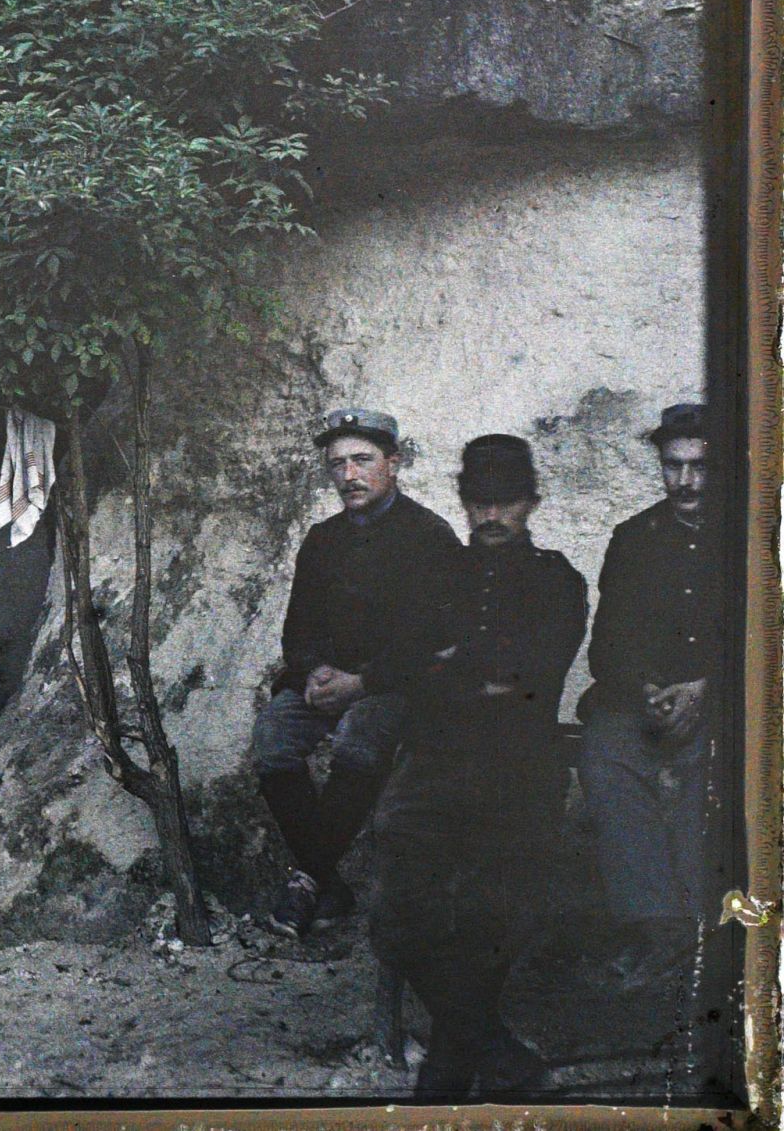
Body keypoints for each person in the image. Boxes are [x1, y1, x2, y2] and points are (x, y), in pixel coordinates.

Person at [370, 434, 587, 1099]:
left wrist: (453, 665)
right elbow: (406, 665)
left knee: (494, 914)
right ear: (463, 502)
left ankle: (448, 1066)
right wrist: (469, 673)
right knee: (396, 916)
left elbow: (533, 674)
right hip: (434, 765)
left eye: (507, 501)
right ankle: (495, 1050)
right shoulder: (435, 575)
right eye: (479, 501)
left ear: (532, 502)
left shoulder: (558, 579)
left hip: (520, 769)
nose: (492, 515)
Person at [253, 408, 461, 938]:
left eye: (362, 460)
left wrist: (362, 683)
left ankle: (307, 879)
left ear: (393, 463)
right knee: (273, 736)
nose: (349, 475)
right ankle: (329, 883)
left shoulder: (429, 537)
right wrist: (315, 670)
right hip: (328, 683)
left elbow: (432, 642)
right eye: (337, 464)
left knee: (359, 741)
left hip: (394, 686)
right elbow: (297, 630)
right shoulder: (323, 539)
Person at [576, 403, 730, 982]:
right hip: (647, 704)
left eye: (700, 467)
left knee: (707, 769)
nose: (685, 481)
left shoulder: (759, 535)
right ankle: (660, 928)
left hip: (728, 706)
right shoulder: (634, 538)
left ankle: (703, 927)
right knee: (606, 756)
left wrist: (707, 689)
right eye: (672, 465)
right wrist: (647, 690)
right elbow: (607, 647)